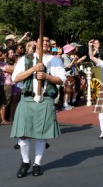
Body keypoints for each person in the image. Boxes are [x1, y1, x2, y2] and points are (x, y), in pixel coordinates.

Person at [10, 37, 66, 177]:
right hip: (27, 98)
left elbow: (62, 80)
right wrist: (33, 69)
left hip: (45, 99)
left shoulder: (55, 60)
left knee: (41, 135)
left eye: (48, 41)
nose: (46, 43)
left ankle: (37, 164)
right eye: (43, 41)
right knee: (23, 134)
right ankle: (25, 162)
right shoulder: (26, 59)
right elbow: (15, 78)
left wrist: (47, 76)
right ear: (36, 43)